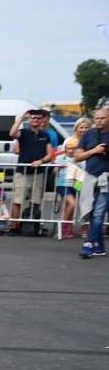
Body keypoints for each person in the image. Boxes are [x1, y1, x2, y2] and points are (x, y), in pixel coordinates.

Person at [8, 109, 53, 235]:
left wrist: (41, 160)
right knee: (18, 200)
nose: (35, 120)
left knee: (36, 201)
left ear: (41, 120)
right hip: (23, 172)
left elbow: (50, 154)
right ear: (29, 119)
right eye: (33, 117)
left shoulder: (45, 135)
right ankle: (14, 225)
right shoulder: (23, 133)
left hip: (38, 172)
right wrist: (22, 116)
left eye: (38, 118)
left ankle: (32, 225)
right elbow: (12, 133)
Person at [76, 107, 109, 258]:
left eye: (102, 118)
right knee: (89, 211)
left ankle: (88, 243)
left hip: (106, 178)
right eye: (97, 118)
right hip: (90, 176)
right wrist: (94, 151)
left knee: (98, 212)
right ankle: (100, 246)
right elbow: (77, 157)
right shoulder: (89, 134)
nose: (99, 121)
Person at [67, 117, 93, 239]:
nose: (83, 129)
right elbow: (63, 156)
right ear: (76, 128)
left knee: (85, 204)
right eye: (81, 127)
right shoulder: (69, 140)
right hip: (72, 177)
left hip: (86, 175)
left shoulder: (93, 140)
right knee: (69, 204)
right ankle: (67, 229)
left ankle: (84, 229)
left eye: (86, 127)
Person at [52, 142, 79, 238]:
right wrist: (59, 167)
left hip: (74, 184)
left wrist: (78, 166)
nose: (71, 150)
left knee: (67, 206)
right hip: (62, 183)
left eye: (73, 148)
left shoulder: (78, 159)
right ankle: (63, 229)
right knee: (72, 203)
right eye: (69, 148)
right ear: (65, 149)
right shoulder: (60, 158)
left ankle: (66, 229)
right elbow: (53, 171)